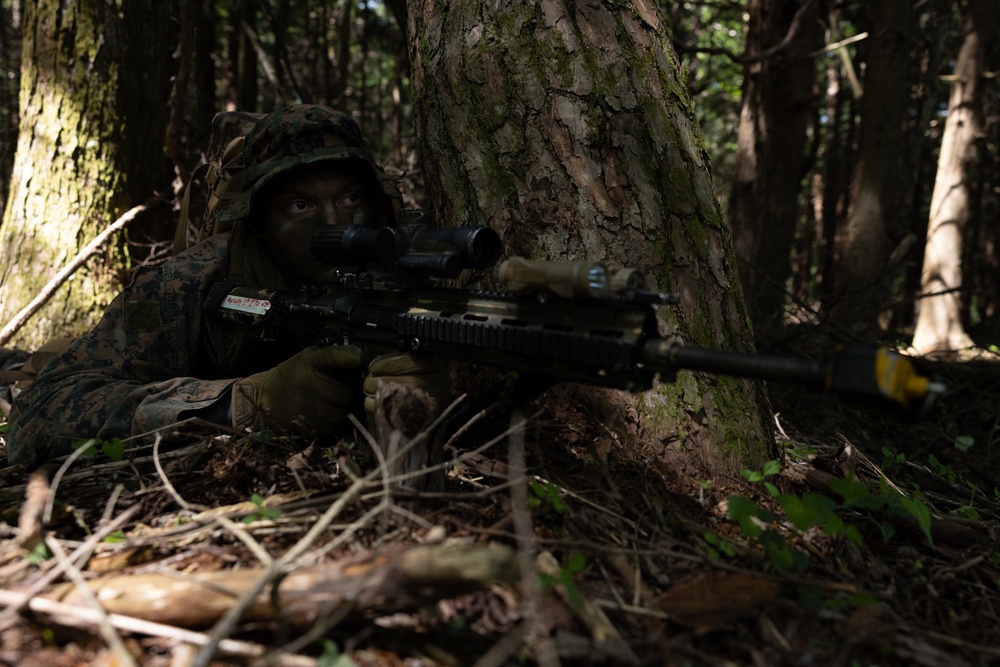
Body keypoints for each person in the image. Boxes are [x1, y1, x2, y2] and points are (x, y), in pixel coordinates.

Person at [5, 104, 451, 470]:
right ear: (257, 221)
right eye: (300, 205)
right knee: (24, 369)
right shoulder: (188, 283)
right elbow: (37, 416)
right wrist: (241, 405)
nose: (334, 224)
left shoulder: (409, 259)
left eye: (350, 198)